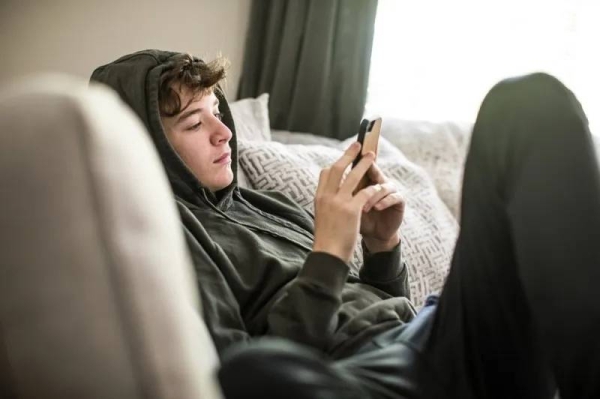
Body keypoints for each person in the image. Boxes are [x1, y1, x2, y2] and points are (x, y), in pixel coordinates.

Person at [91, 50, 600, 399]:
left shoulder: (264, 205)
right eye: (195, 123)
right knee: (252, 377)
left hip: (434, 336)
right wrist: (330, 253)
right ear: (144, 145)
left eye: (216, 112)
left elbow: (374, 310)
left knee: (526, 103)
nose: (224, 132)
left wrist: (382, 248)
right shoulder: (168, 238)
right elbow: (232, 369)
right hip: (367, 378)